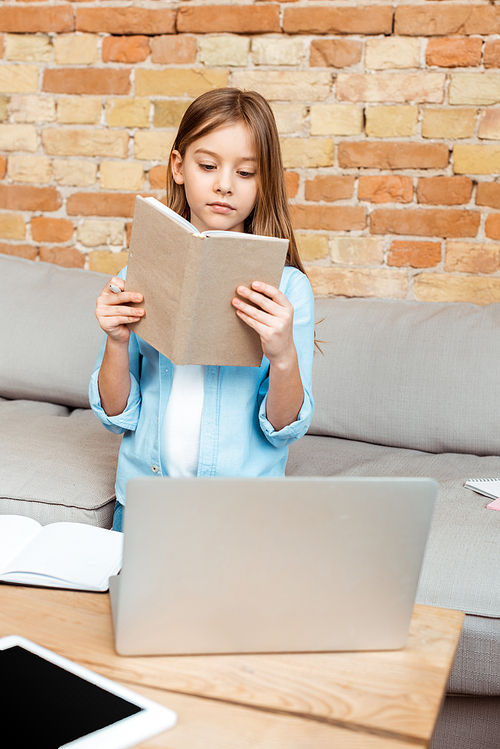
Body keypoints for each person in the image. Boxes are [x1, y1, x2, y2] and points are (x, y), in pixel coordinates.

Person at [89, 87, 315, 532]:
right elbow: (117, 415)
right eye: (208, 166)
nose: (224, 184)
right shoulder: (140, 271)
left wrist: (283, 355)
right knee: (127, 602)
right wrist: (116, 342)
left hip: (239, 515)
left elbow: (284, 427)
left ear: (263, 181)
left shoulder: (288, 289)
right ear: (178, 167)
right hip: (145, 506)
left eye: (246, 172)